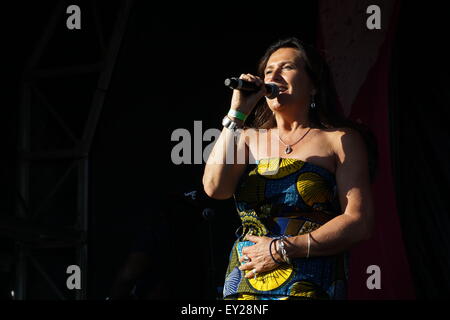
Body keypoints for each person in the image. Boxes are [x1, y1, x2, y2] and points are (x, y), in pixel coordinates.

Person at [202, 37, 376, 300]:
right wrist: (237, 113)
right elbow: (215, 188)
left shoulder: (340, 139)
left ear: (314, 85)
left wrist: (282, 248)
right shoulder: (247, 137)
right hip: (248, 277)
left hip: (310, 277)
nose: (275, 75)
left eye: (287, 67)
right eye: (269, 71)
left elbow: (359, 222)